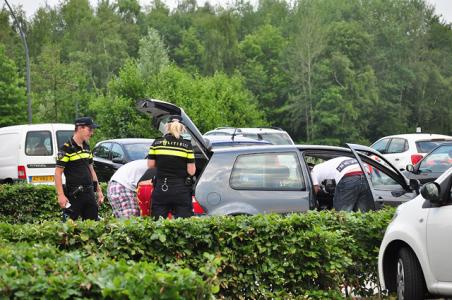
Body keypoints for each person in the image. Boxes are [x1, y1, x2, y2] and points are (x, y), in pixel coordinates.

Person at [55, 117, 104, 220]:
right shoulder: (66, 148)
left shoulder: (87, 147)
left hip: (89, 194)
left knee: (93, 228)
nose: (92, 133)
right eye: (90, 129)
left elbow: (91, 170)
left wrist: (99, 191)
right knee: (70, 230)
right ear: (80, 128)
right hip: (74, 195)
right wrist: (61, 195)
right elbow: (58, 173)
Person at [147, 115, 196, 219]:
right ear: (182, 128)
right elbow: (191, 172)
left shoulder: (157, 143)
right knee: (183, 223)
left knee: (158, 222)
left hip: (161, 188)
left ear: (167, 127)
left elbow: (150, 165)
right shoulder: (187, 145)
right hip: (180, 190)